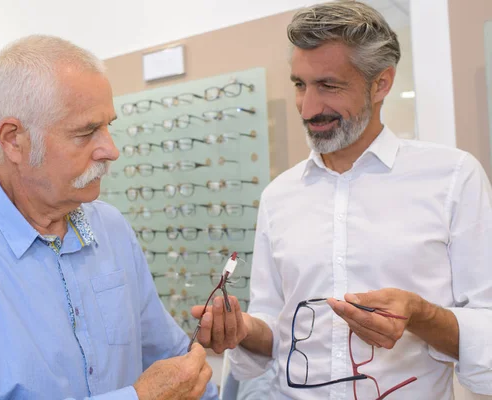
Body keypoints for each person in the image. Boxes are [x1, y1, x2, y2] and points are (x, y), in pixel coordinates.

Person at [190, 1, 492, 399]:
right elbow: (275, 328)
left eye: (328, 86)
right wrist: (244, 329)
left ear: (381, 83)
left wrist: (420, 315)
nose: (309, 108)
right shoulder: (279, 196)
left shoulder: (454, 178)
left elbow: (485, 329)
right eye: (300, 85)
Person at [0, 35, 217, 400]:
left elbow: (175, 361)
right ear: (14, 140)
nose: (111, 150)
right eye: (86, 132)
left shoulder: (111, 229)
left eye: (108, 126)